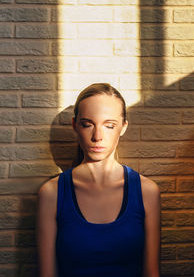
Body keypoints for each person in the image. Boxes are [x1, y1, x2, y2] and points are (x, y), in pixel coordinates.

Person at [37, 83, 160, 277]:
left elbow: (152, 273)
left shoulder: (147, 191)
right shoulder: (51, 193)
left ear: (123, 127)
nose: (97, 137)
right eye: (87, 124)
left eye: (109, 126)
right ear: (75, 126)